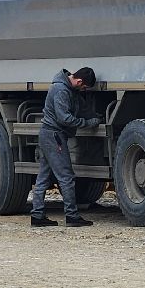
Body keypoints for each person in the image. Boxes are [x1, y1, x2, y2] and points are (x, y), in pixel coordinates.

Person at [31, 66, 102, 227]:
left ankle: (37, 215)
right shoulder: (61, 90)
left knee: (43, 177)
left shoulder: (70, 90)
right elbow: (64, 118)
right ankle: (72, 216)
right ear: (79, 81)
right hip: (54, 136)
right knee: (66, 177)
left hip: (48, 135)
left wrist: (95, 116)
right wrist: (88, 123)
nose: (84, 91)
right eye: (84, 87)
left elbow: (82, 108)